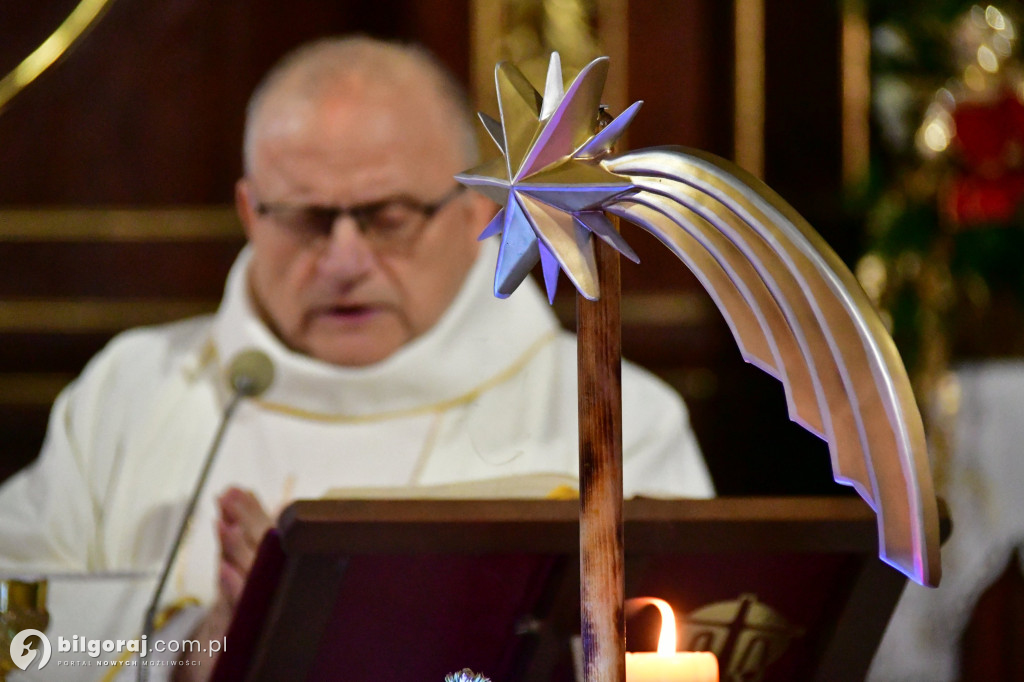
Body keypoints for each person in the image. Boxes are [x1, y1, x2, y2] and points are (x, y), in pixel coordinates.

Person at [0, 36, 713, 680]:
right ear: (251, 214)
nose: (344, 261)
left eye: (388, 217)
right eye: (308, 219)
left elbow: (692, 643)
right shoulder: (133, 391)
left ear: (474, 213)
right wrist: (196, 651)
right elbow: (14, 633)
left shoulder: (608, 413)